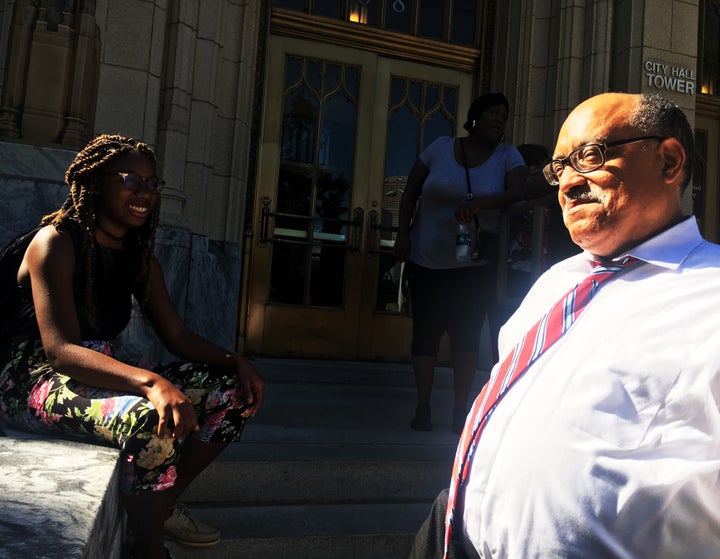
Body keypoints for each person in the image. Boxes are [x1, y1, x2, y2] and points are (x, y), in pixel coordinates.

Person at [410, 91, 720, 559]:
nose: (568, 183)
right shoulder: (557, 281)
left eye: (590, 157)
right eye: (558, 169)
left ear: (669, 161)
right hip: (451, 534)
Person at [0, 134, 266, 559]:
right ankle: (148, 546)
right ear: (96, 181)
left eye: (151, 183)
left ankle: (157, 508)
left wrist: (236, 362)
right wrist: (151, 383)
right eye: (129, 179)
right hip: (33, 383)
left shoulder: (138, 258)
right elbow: (61, 351)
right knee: (149, 416)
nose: (144, 193)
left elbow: (176, 336)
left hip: (97, 370)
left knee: (232, 392)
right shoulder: (55, 242)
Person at [394, 92, 527, 434]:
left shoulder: (507, 157)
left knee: (466, 337)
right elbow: (411, 191)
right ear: (474, 118)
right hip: (427, 258)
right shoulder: (440, 148)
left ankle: (459, 410)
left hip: (474, 266)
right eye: (492, 114)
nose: (498, 120)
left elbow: (517, 192)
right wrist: (403, 236)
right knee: (425, 334)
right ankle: (423, 405)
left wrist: (482, 204)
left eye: (503, 116)